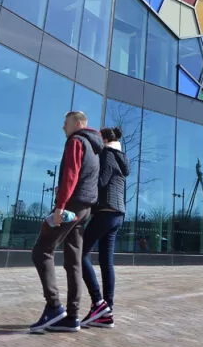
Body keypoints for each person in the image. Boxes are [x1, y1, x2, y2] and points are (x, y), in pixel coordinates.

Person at [29, 112, 103, 333]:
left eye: (66, 123)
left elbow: (71, 173)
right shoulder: (95, 149)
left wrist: (60, 206)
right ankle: (72, 316)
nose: (63, 127)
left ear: (78, 124)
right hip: (85, 208)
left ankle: (53, 307)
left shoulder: (77, 141)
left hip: (70, 206)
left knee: (42, 251)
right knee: (73, 260)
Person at [80, 127, 129, 329]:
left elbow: (100, 182)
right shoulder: (121, 157)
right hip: (118, 214)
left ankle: (99, 303)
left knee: (79, 254)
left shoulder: (107, 155)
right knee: (106, 262)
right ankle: (107, 310)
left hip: (106, 212)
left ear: (105, 139)